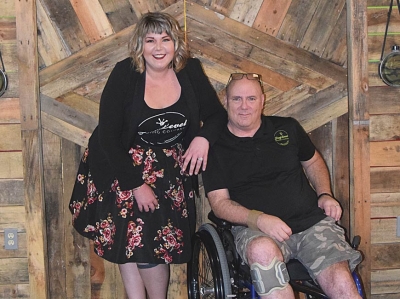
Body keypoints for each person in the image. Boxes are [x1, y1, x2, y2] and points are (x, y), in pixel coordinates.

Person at [69, 11, 227, 299]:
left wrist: (203, 139)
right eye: (150, 40)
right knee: (130, 238)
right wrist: (135, 185)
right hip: (122, 165)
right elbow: (109, 136)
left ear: (175, 44)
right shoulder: (125, 74)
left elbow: (217, 116)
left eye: (165, 39)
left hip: (169, 170)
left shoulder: (189, 71)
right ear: (139, 45)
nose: (158, 48)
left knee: (149, 245)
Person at [202, 73, 362, 299]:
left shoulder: (286, 128)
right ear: (225, 101)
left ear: (262, 100)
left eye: (251, 98)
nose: (244, 106)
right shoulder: (215, 147)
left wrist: (325, 194)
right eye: (237, 99)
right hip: (256, 231)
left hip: (311, 224)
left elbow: (313, 160)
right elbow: (220, 204)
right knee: (262, 253)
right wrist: (259, 219)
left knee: (340, 279)